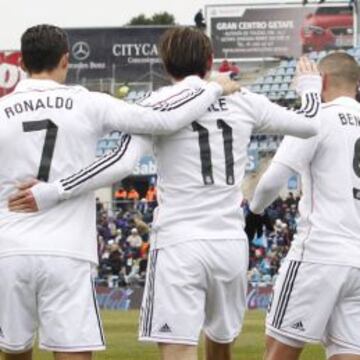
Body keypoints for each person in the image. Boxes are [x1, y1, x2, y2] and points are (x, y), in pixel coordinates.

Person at [9, 27, 323, 360]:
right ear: (209, 60)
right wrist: (311, 88)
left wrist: (54, 190)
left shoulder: (156, 102)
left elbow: (123, 161)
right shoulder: (244, 100)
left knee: (177, 351)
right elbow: (308, 124)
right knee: (221, 348)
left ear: (164, 65)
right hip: (229, 243)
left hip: (178, 242)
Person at [246, 52, 360, 360]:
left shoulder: (318, 118)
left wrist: (254, 210)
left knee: (278, 350)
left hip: (320, 253)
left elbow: (272, 181)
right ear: (357, 85)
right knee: (348, 353)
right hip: (358, 260)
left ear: (320, 81)